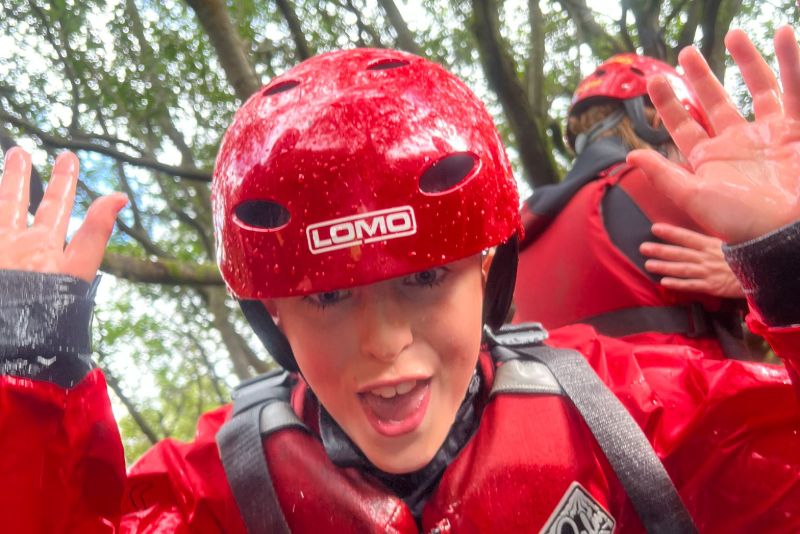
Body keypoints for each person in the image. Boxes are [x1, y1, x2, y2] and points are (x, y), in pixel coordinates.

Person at [1, 27, 800, 533]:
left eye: (423, 281)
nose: (384, 345)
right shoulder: (218, 489)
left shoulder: (634, 416)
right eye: (325, 295)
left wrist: (790, 266)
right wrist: (29, 381)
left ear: (489, 274)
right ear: (270, 311)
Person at [512, 51, 749, 359]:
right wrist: (755, 273)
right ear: (655, 122)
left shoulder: (522, 234)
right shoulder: (668, 190)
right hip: (691, 402)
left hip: (569, 405)